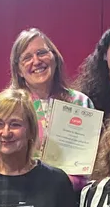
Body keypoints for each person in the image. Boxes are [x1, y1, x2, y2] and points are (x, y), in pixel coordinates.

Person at [8, 28, 95, 190]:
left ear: (54, 57)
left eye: (41, 53)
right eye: (27, 58)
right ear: (19, 70)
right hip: (25, 195)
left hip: (75, 196)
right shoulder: (10, 106)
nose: (36, 61)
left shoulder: (80, 102)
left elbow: (95, 157)